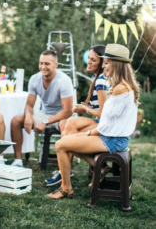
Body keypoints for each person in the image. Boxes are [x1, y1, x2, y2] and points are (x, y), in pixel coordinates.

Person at [47, 44, 140, 199]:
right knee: (66, 139)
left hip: (112, 140)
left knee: (61, 144)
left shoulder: (120, 88)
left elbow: (106, 122)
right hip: (113, 136)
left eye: (106, 62)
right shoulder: (121, 85)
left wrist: (88, 133)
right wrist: (86, 134)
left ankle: (66, 188)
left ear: (116, 63)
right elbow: (110, 121)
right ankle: (95, 169)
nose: (103, 66)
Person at [45, 45, 108, 186]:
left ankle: (66, 173)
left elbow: (104, 113)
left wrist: (86, 110)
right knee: (71, 123)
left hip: (105, 124)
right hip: (100, 121)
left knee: (68, 134)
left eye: (93, 60)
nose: (89, 62)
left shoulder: (101, 81)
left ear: (103, 63)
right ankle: (69, 171)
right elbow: (103, 106)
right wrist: (87, 107)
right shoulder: (96, 78)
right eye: (88, 59)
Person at [10, 50, 74, 167]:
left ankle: (65, 168)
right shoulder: (34, 79)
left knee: (65, 125)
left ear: (56, 65)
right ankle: (18, 161)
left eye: (47, 64)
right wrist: (28, 115)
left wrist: (45, 122)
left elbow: (68, 111)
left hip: (62, 116)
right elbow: (29, 105)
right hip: (45, 114)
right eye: (41, 63)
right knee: (16, 121)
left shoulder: (64, 81)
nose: (43, 67)